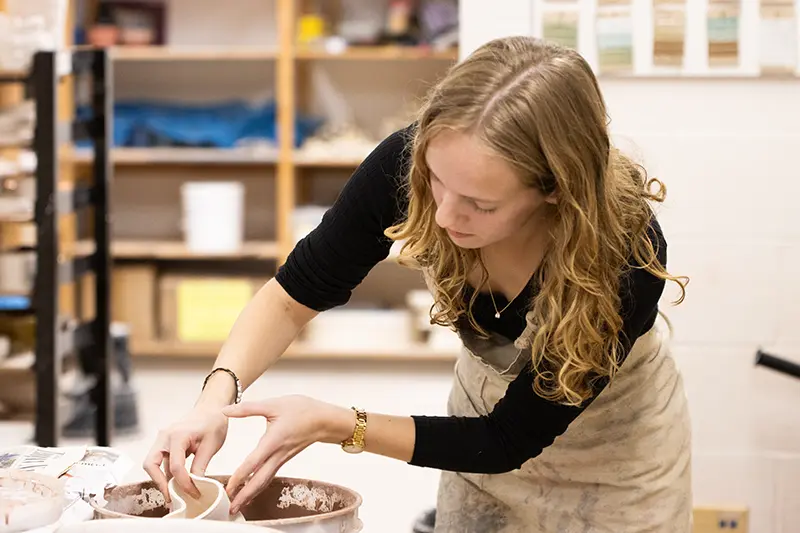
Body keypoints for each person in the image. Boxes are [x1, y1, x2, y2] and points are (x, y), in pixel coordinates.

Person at [144, 36, 692, 532]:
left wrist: (336, 423)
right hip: (479, 435)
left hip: (614, 460)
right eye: (435, 181)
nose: (445, 214)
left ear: (554, 189)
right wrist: (212, 402)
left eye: (480, 204)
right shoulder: (411, 163)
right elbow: (293, 297)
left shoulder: (623, 256)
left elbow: (507, 439)